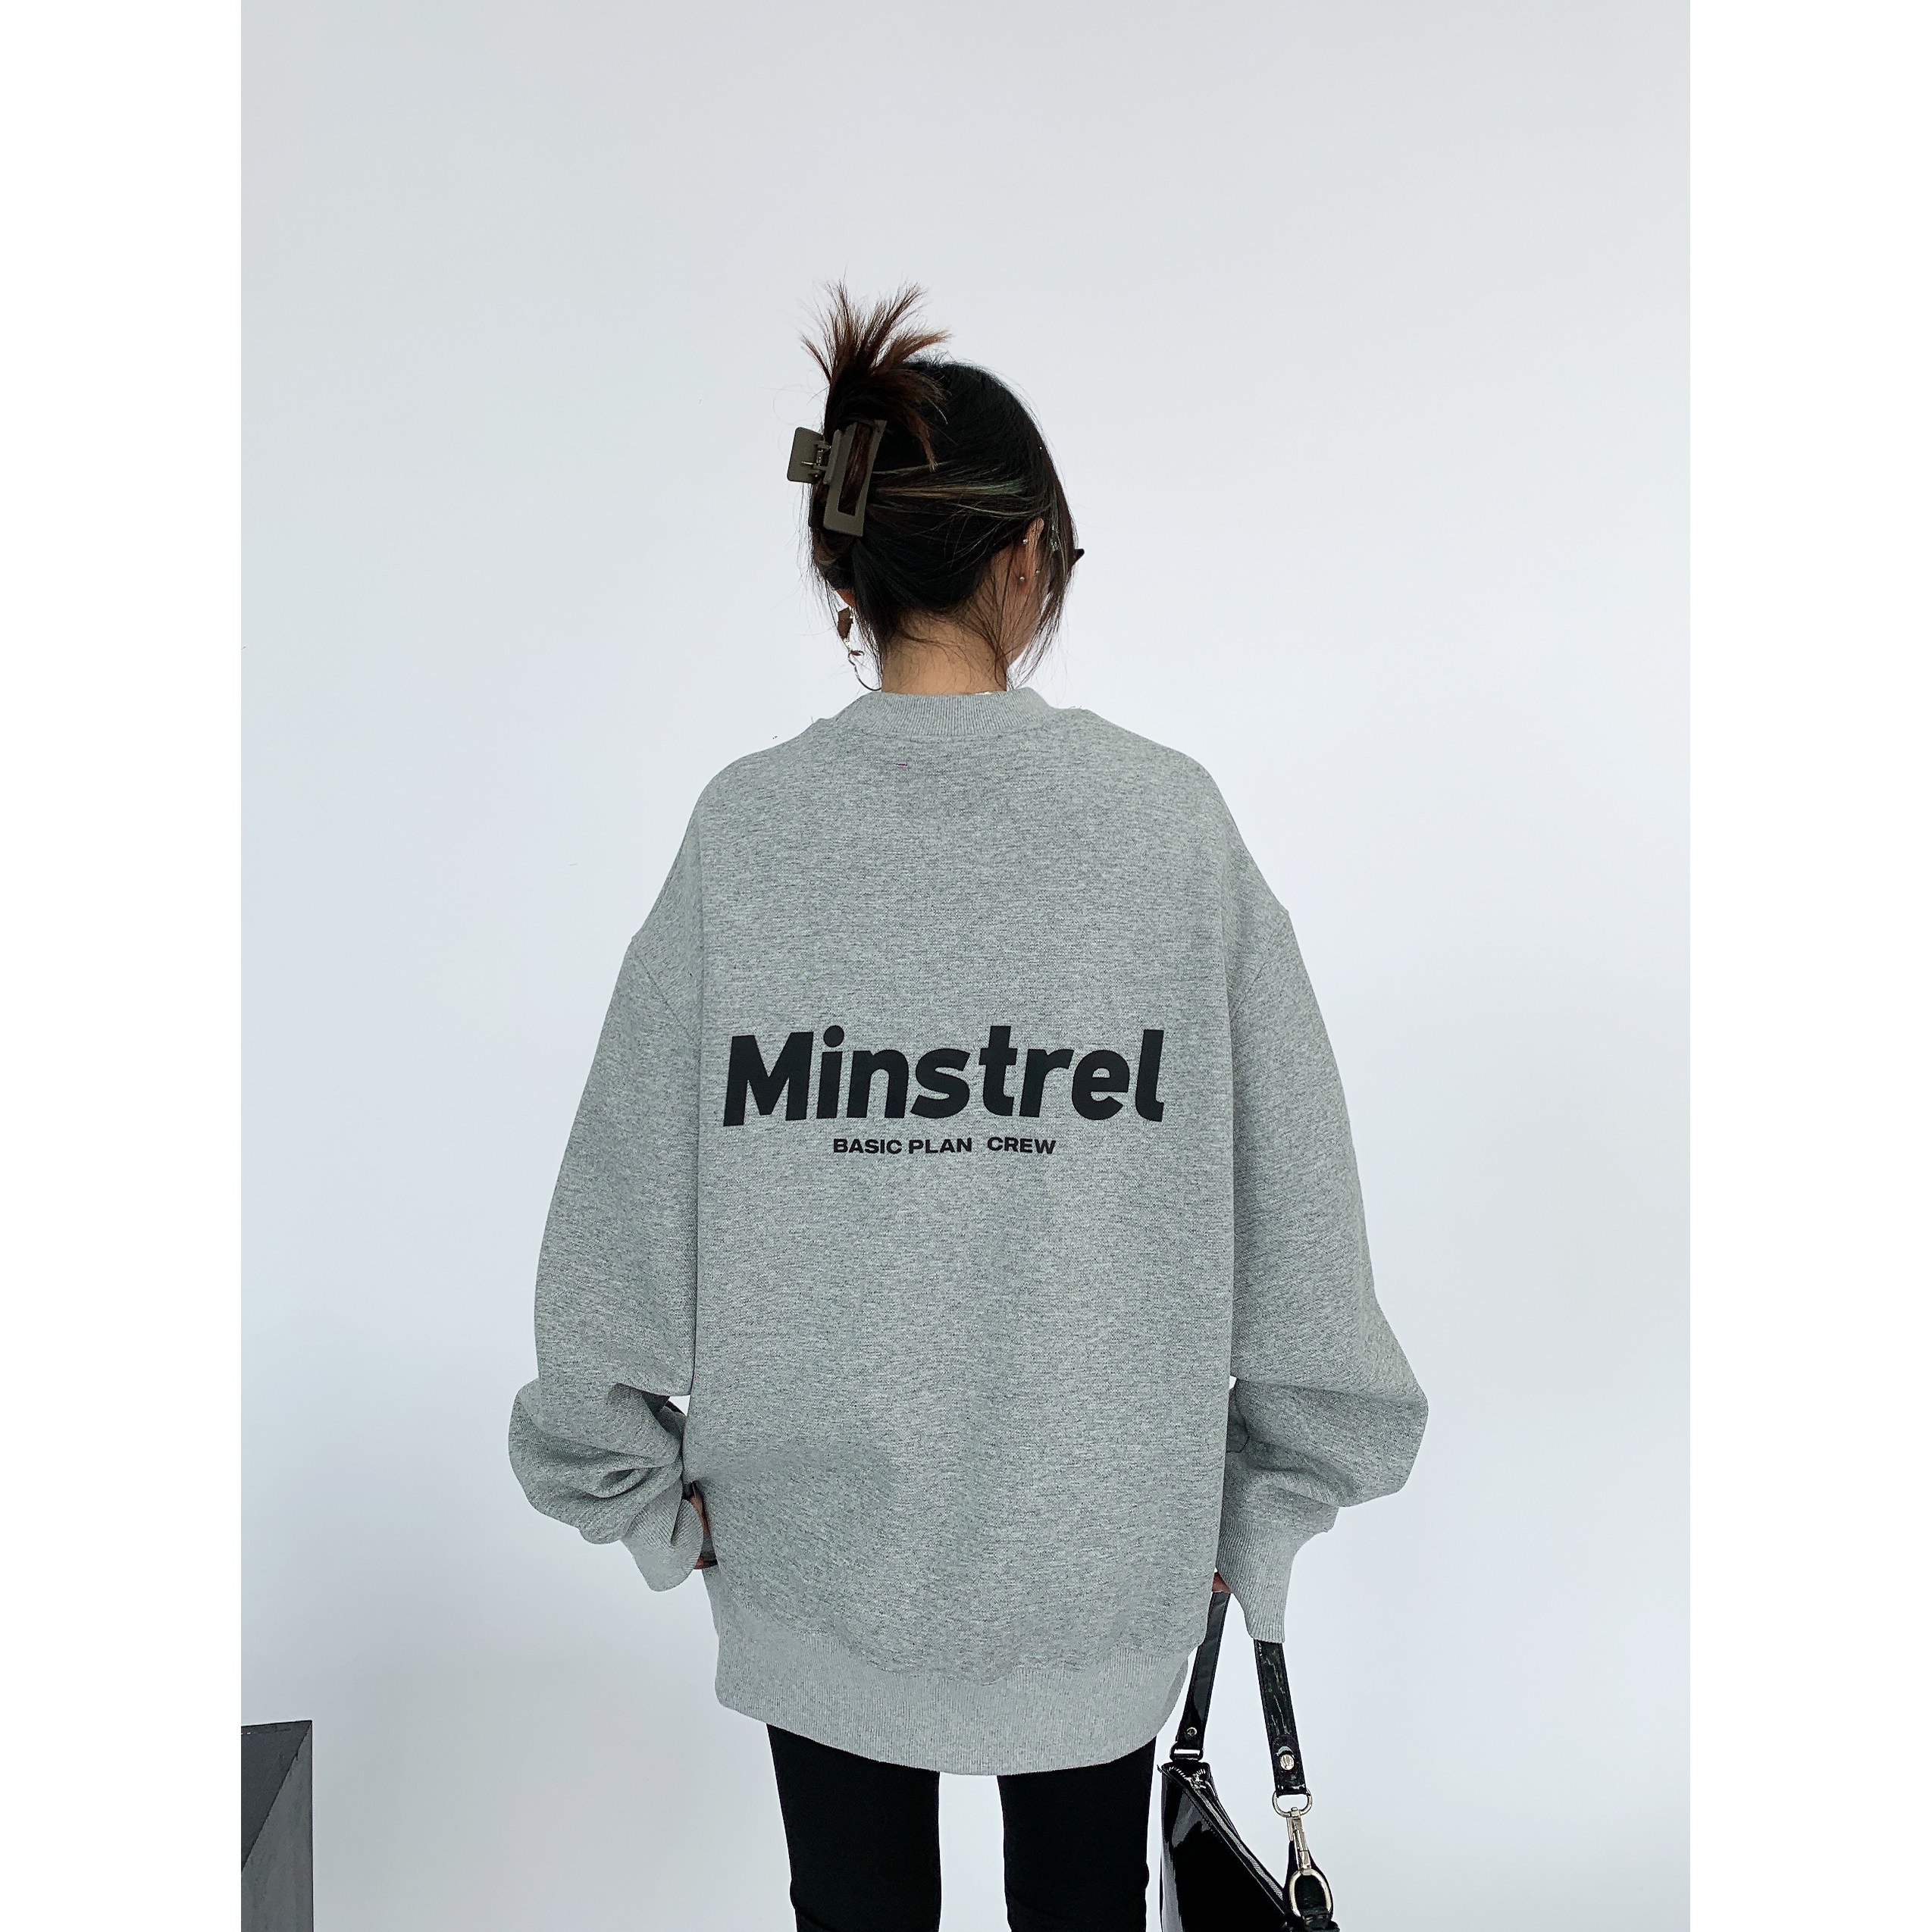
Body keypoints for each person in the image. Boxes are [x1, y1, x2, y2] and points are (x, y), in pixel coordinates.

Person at [509, 286, 1427, 1932]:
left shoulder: (748, 833)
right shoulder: (1166, 828)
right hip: (1106, 1577)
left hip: (813, 1568)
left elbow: (614, 1224)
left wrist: (653, 1506)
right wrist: (1257, 1509)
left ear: (847, 574)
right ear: (1024, 560)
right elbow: (1305, 1223)